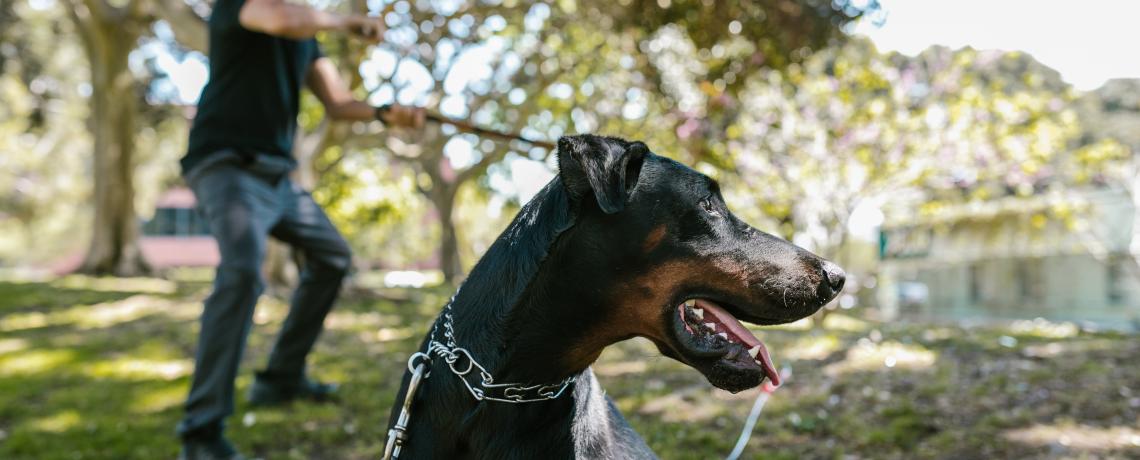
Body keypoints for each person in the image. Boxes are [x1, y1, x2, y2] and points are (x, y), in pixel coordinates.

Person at [176, 1, 425, 458]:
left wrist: (385, 113)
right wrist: (346, 22)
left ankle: (281, 377)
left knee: (333, 256)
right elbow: (283, 19)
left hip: (277, 177)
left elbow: (339, 103)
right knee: (243, 274)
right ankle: (201, 433)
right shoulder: (242, 6)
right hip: (226, 165)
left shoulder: (305, 36)